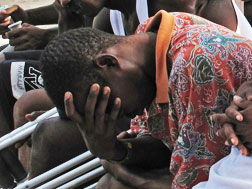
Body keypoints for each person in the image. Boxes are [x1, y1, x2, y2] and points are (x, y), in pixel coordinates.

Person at [40, 10, 252, 188]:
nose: (114, 115)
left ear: (108, 63)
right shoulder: (148, 39)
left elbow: (195, 182)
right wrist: (112, 150)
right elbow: (164, 145)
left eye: (104, 103)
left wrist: (118, 167)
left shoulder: (197, 65)